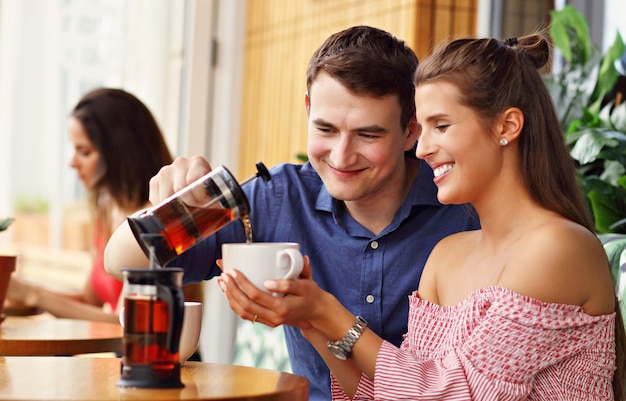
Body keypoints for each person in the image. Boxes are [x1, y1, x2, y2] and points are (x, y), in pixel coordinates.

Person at [218, 32, 626, 400]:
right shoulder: (447, 254)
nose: (422, 148)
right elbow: (385, 394)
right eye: (423, 128)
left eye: (441, 126)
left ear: (507, 125)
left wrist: (328, 312)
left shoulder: (559, 249)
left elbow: (453, 396)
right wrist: (311, 322)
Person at [104, 25, 480, 400]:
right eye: (325, 129)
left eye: (368, 135)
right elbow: (120, 260)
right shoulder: (280, 196)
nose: (341, 156)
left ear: (411, 130)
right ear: (307, 110)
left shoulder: (461, 206)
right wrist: (171, 207)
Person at [7, 88, 203, 324]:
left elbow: (127, 323)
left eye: (85, 151)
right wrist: (19, 289)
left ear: (120, 153)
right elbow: (88, 300)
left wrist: (34, 295)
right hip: (122, 358)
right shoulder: (107, 214)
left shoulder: (159, 224)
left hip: (166, 358)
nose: (72, 163)